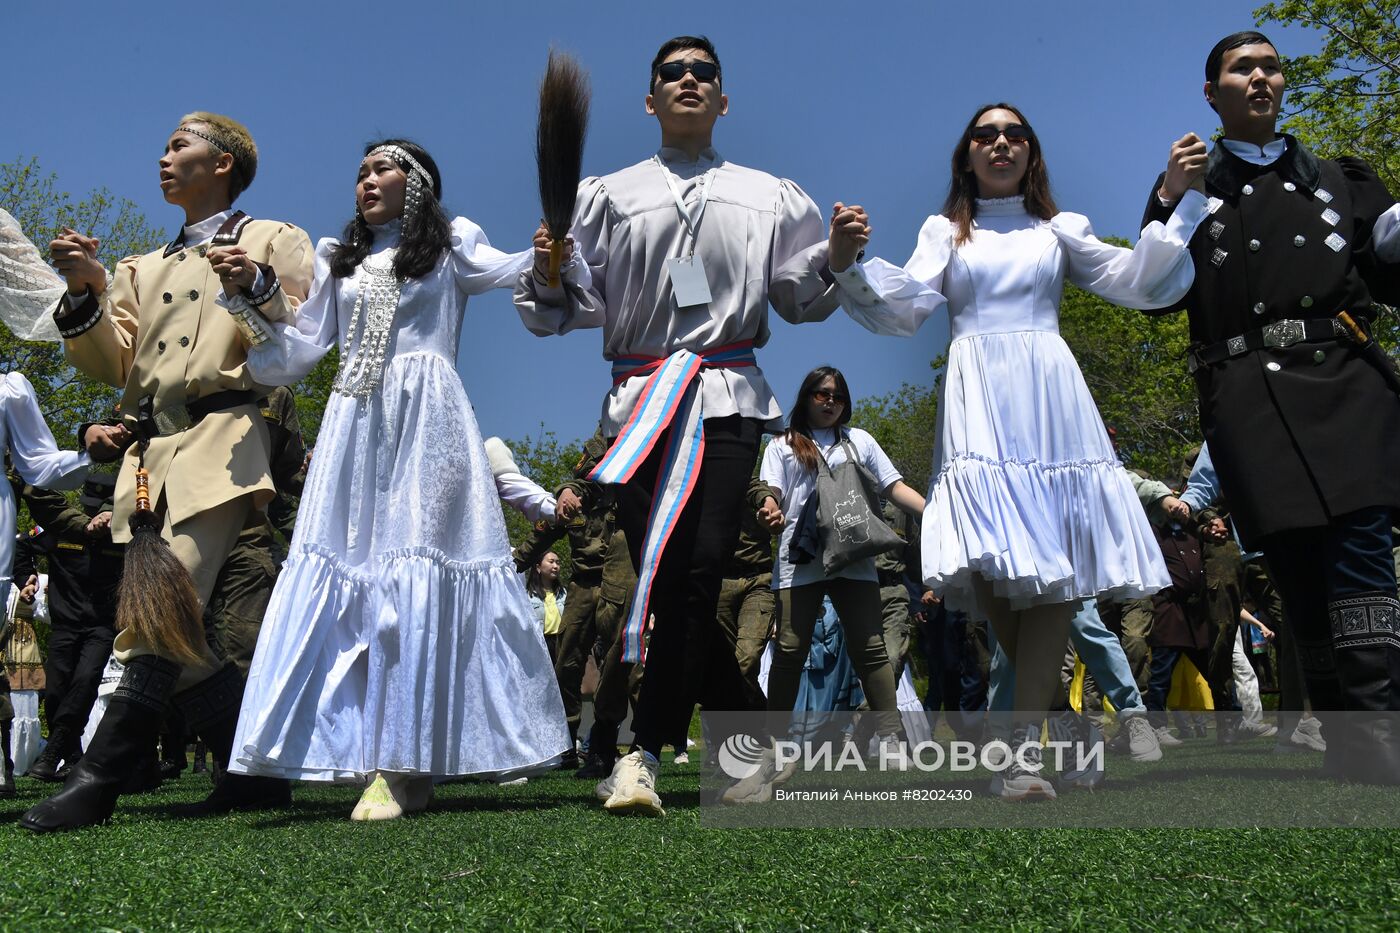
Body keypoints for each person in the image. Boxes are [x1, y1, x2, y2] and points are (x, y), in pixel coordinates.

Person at [829, 102, 1209, 799]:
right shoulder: (944, 232)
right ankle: (1041, 740)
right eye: (986, 135)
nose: (1001, 143)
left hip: (1052, 403)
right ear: (966, 155)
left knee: (1060, 575)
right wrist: (847, 263)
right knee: (999, 575)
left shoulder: (1060, 230)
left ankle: (1016, 755)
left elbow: (1135, 280)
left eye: (1015, 134)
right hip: (977, 402)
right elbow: (906, 303)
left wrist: (1178, 205)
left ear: (1031, 153)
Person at [515, 35, 842, 816]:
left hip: (725, 395)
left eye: (704, 74)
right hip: (640, 405)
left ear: (723, 99)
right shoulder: (606, 194)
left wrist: (839, 254)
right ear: (651, 99)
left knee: (697, 569)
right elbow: (572, 307)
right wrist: (551, 271)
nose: (688, 81)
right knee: (668, 582)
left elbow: (799, 293)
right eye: (673, 74)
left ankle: (643, 753)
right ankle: (760, 737)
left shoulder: (768, 193)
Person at [227, 139, 567, 822]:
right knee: (358, 573)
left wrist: (550, 252)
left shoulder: (452, 245)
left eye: (382, 169)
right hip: (355, 426)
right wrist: (246, 300)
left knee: (416, 571)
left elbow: (514, 271)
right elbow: (295, 352)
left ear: (418, 185)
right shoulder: (337, 259)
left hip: (430, 422)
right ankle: (370, 752)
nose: (366, 180)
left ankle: (402, 764)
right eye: (359, 172)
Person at [21, 112, 313, 833]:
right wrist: (88, 289)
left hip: (225, 441)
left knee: (156, 611)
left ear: (224, 164)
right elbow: (110, 365)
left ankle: (96, 780)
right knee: (180, 643)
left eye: (179, 146)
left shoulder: (274, 238)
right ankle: (253, 775)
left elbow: (296, 337)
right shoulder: (138, 267)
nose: (163, 156)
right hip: (148, 460)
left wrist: (257, 283)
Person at [1142, 31, 1400, 782]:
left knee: (1359, 545)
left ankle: (1379, 728)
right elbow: (1154, 288)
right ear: (1212, 91)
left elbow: (1387, 253)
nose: (1259, 77)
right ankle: (1344, 735)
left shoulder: (1339, 177)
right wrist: (1167, 196)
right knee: (1294, 563)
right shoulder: (1189, 185)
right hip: (1246, 393)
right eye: (1240, 68)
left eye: (1269, 66)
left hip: (1344, 379)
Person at [723, 366, 926, 803]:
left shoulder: (861, 441)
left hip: (853, 556)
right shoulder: (782, 444)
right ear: (806, 397)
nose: (828, 400)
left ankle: (891, 739)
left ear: (845, 400)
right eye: (820, 393)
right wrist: (770, 511)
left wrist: (934, 510)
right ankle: (775, 747)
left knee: (869, 647)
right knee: (790, 650)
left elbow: (894, 488)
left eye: (836, 394)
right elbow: (770, 490)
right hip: (801, 558)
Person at [11, 474, 121, 781]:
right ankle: (74, 757)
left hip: (102, 625)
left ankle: (52, 754)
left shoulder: (125, 535)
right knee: (57, 691)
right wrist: (26, 577)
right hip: (65, 624)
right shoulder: (60, 528)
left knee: (85, 682)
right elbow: (22, 545)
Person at [526, 551, 567, 663]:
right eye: (551, 562)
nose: (555, 566)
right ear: (538, 567)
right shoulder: (528, 596)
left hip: (562, 642)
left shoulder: (564, 593)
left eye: (558, 563)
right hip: (541, 643)